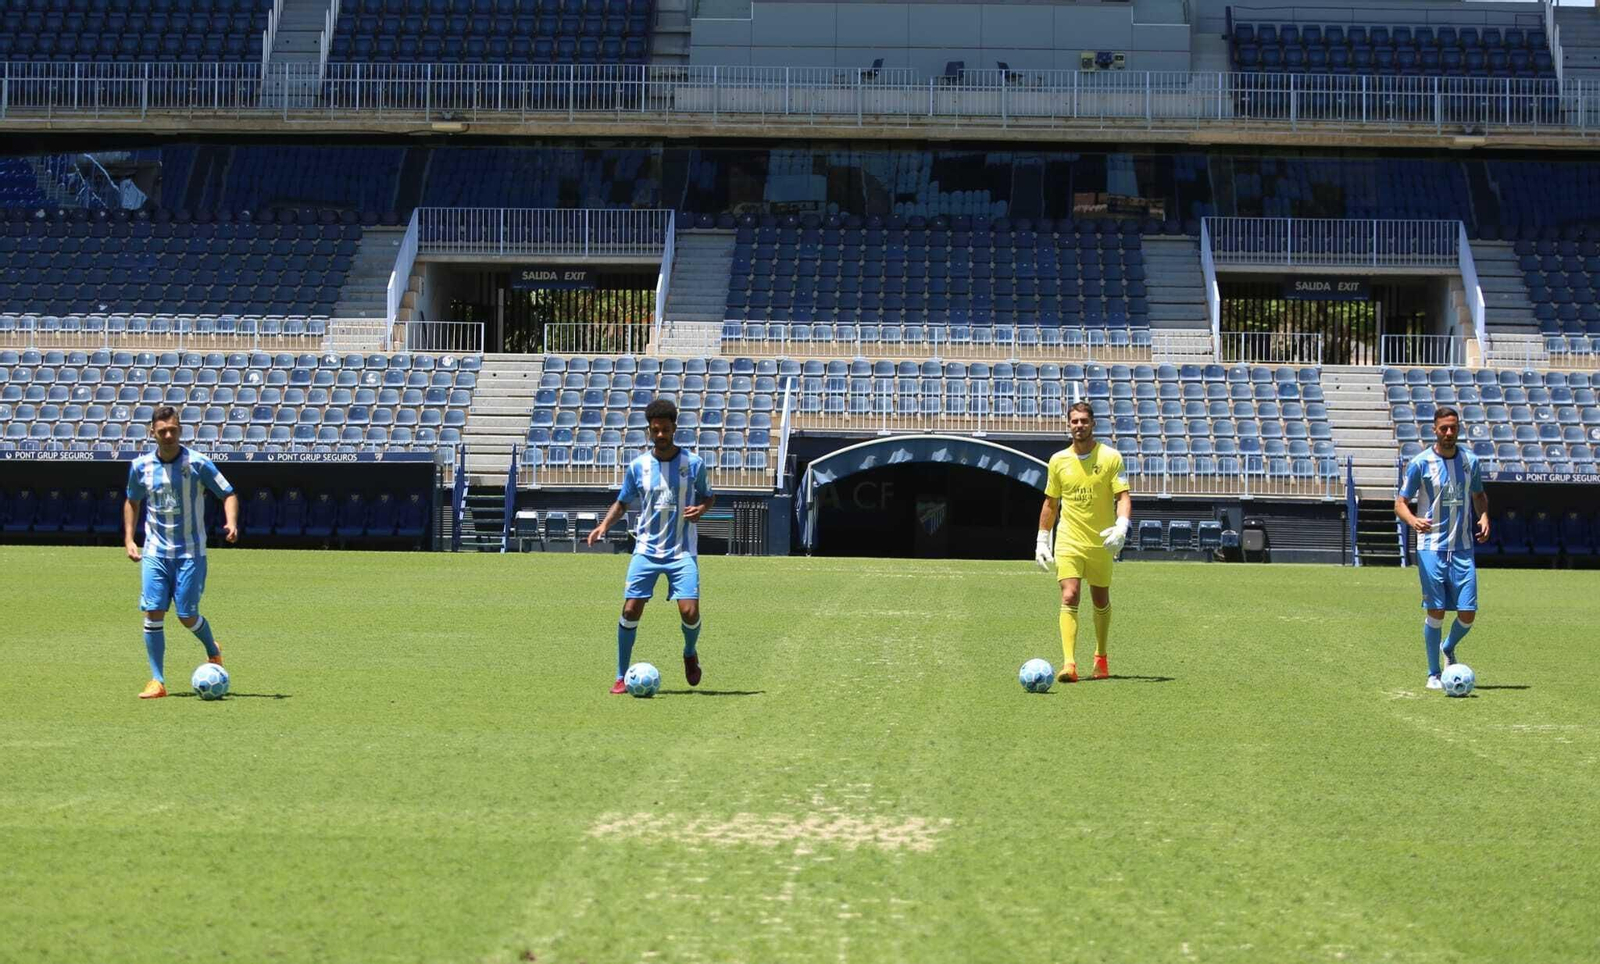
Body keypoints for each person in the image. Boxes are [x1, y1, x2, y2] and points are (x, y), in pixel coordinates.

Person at [587, 398, 715, 694]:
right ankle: (621, 675)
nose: (660, 435)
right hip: (645, 549)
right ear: (649, 430)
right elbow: (622, 502)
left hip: (682, 551)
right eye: (655, 430)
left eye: (665, 429)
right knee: (631, 610)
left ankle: (689, 653)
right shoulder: (638, 466)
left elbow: (709, 495)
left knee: (690, 613)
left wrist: (702, 509)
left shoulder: (693, 464)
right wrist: (604, 525)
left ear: (674, 429)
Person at [123, 406, 239, 699]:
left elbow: (228, 492)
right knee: (153, 612)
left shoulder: (197, 464)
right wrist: (129, 539)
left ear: (180, 430)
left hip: (190, 552)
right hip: (155, 551)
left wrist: (231, 522)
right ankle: (157, 680)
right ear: (153, 433)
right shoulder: (140, 467)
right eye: (162, 431)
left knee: (187, 615)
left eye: (173, 429)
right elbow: (132, 501)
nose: (168, 435)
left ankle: (213, 649)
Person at [1034, 402, 1133, 683]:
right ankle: (1069, 664)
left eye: (1084, 421)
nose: (1079, 426)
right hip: (1069, 539)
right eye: (1074, 421)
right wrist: (1042, 539)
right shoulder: (1058, 461)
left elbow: (1123, 497)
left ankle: (1101, 657)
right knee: (1069, 595)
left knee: (1100, 598)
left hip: (1101, 541)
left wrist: (1122, 526)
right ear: (1069, 425)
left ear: (1093, 424)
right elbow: (1051, 503)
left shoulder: (1111, 457)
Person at [1395, 406, 1489, 690]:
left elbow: (1479, 494)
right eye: (1444, 428)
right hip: (1431, 548)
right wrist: (1413, 520)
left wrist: (1484, 515)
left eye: (1453, 428)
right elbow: (1400, 503)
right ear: (1434, 430)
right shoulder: (1421, 464)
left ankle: (1448, 648)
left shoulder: (1470, 461)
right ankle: (1433, 673)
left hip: (1463, 549)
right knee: (1436, 610)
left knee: (1468, 613)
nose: (1449, 433)